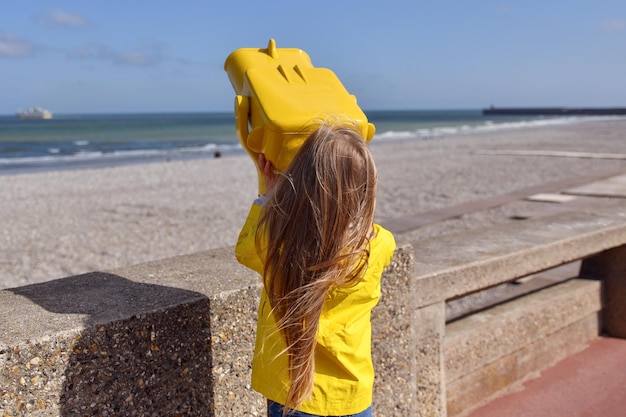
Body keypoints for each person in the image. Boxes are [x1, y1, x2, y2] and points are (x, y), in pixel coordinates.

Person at [236, 122, 396, 417]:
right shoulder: (381, 244)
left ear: (300, 183)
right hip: (353, 395)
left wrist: (269, 193)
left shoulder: (279, 246)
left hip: (295, 392)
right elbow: (355, 235)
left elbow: (245, 248)